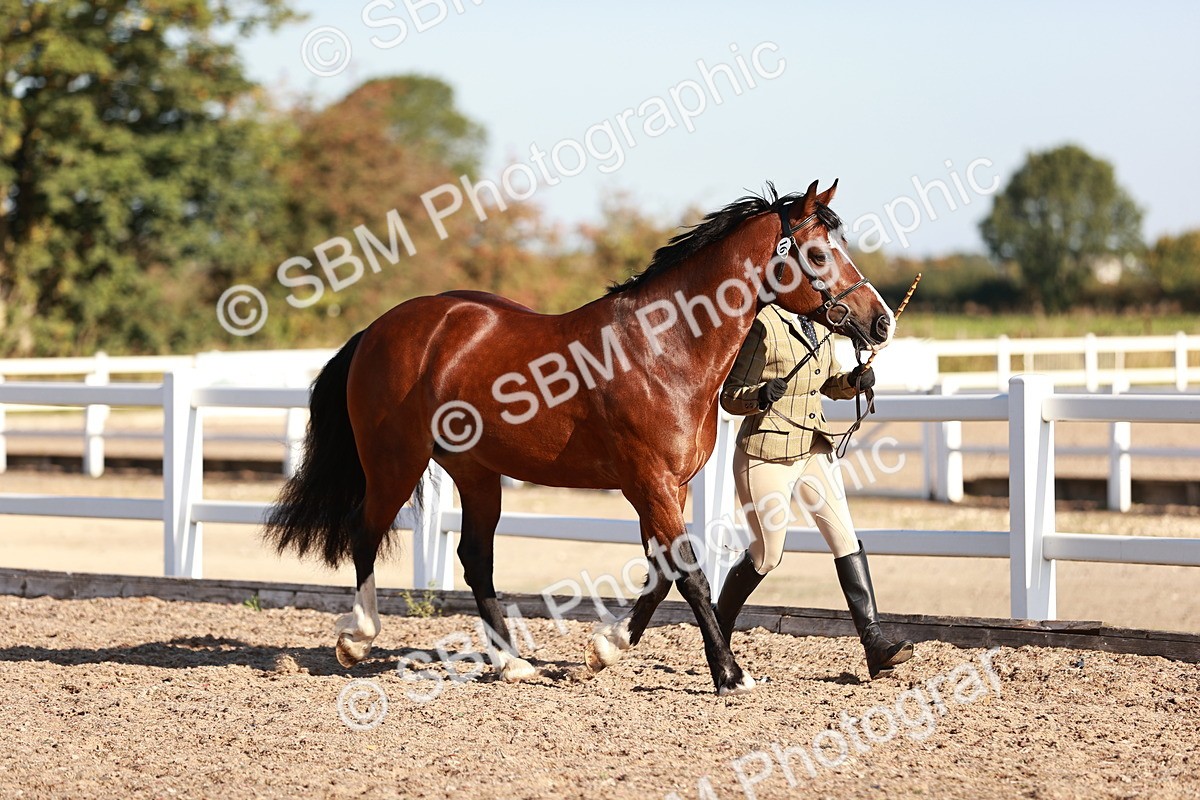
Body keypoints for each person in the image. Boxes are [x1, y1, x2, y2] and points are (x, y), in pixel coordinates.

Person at [717, 304, 914, 679]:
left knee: (845, 538)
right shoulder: (765, 323)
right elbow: (730, 395)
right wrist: (759, 395)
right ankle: (718, 631)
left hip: (812, 447)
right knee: (767, 555)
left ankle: (874, 642)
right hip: (765, 453)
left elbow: (823, 382)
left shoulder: (821, 324)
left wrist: (853, 382)